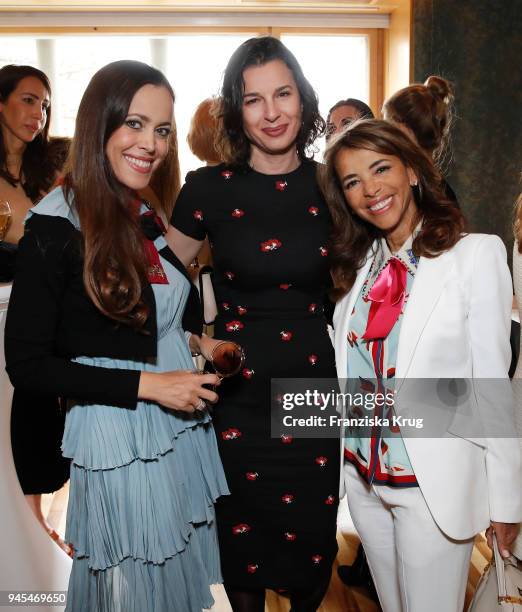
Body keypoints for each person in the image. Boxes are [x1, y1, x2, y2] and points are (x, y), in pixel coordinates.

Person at [5, 59, 230, 612]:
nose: (149, 143)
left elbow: (145, 313)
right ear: (98, 125)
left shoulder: (143, 210)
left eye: (161, 129)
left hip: (174, 428)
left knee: (170, 580)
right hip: (121, 437)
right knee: (132, 590)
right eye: (133, 123)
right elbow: (28, 365)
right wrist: (151, 387)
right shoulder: (55, 226)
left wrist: (201, 347)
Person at [320, 119, 522, 612]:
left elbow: (489, 387)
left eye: (380, 168)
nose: (369, 190)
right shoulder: (356, 269)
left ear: (412, 171)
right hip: (366, 486)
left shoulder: (475, 255)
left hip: (430, 490)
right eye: (352, 181)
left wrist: (507, 502)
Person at [168, 36, 339, 612]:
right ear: (235, 111)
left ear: (303, 97)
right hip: (238, 393)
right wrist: (194, 340)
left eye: (283, 93)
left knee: (314, 544)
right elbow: (157, 287)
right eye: (253, 99)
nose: (271, 112)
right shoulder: (207, 188)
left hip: (315, 384)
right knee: (242, 547)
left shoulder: (335, 185)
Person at [0, 64, 72, 554]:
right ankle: (22, 541)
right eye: (28, 100)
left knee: (38, 418)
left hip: (45, 312)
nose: (38, 114)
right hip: (0, 310)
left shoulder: (51, 169)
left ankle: (35, 529)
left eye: (44, 104)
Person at [382, 75, 458, 203]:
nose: (384, 134)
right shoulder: (442, 190)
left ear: (406, 129)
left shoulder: (412, 191)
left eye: (389, 126)